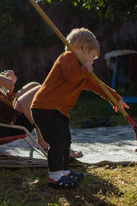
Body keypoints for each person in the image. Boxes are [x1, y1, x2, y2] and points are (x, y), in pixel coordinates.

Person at [31, 27, 129, 188]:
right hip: (44, 108)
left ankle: (63, 171)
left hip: (58, 111)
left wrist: (115, 98)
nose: (92, 62)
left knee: (65, 141)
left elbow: (99, 86)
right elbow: (71, 76)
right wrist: (85, 69)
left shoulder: (82, 71)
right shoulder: (68, 57)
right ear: (84, 48)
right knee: (57, 141)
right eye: (92, 57)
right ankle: (54, 176)